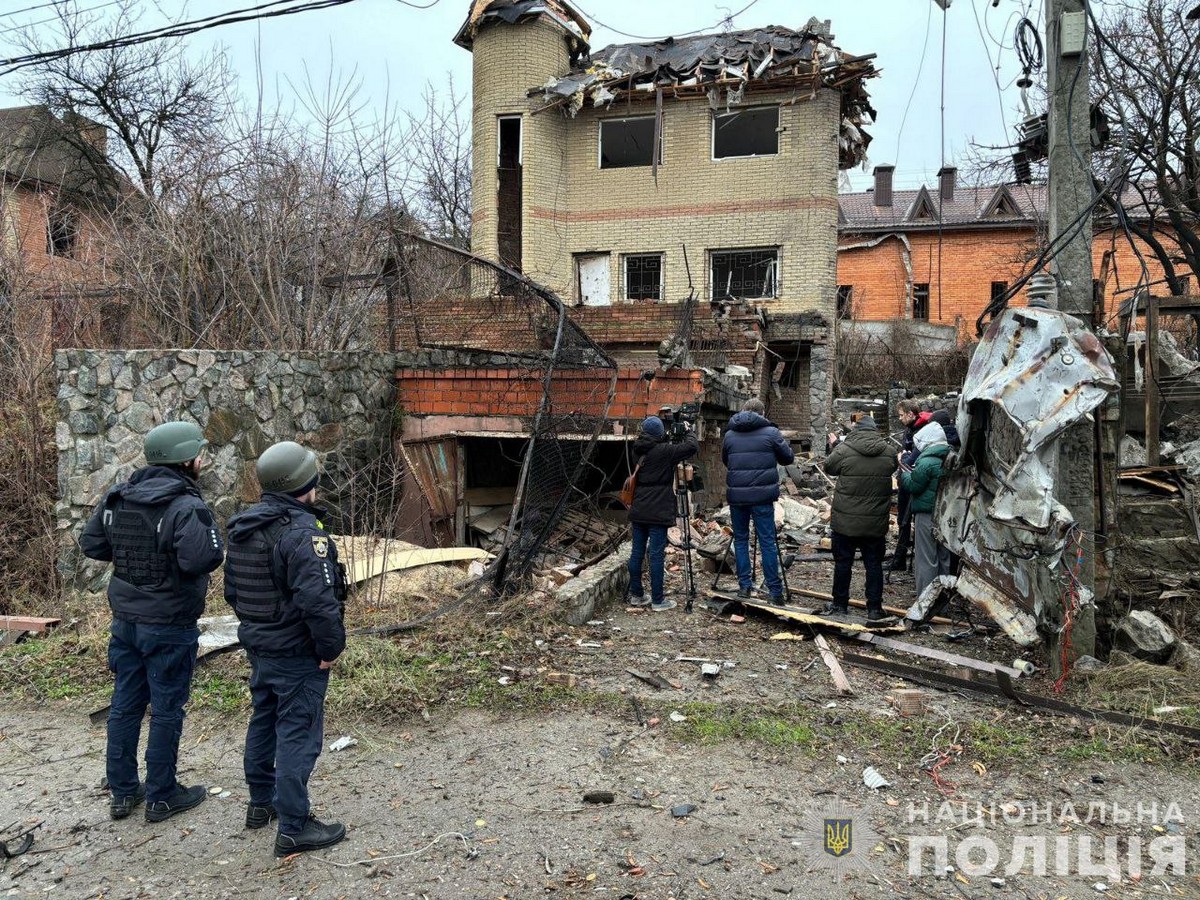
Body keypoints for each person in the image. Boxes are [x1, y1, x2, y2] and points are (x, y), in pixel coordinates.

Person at [79, 420, 224, 823]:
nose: (203, 461)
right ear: (188, 460)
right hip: (169, 624)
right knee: (166, 709)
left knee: (125, 705)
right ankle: (162, 796)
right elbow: (203, 559)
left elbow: (92, 543)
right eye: (201, 455)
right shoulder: (185, 505)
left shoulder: (118, 496)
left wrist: (133, 557)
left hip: (125, 622)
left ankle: (123, 794)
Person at [224, 441, 348, 857]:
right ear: (306, 483)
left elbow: (232, 592)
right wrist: (331, 647)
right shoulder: (301, 535)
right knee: (297, 732)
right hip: (298, 653)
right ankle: (294, 826)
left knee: (264, 720)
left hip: (261, 646)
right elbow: (319, 601)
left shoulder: (242, 527)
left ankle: (261, 804)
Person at [823, 416, 897, 622]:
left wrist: (836, 445)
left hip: (845, 522)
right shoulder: (889, 452)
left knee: (843, 563)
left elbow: (829, 467)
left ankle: (839, 605)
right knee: (874, 565)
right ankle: (874, 608)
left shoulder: (845, 449)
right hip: (874, 522)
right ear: (875, 431)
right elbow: (891, 468)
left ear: (856, 430)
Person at [722, 398, 795, 602]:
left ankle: (744, 586)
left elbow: (726, 461)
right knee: (767, 542)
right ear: (762, 413)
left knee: (742, 540)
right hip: (763, 497)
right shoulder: (771, 433)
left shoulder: (730, 434)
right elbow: (788, 458)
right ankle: (774, 591)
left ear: (743, 410)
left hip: (738, 496)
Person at [626, 415, 699, 611]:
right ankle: (658, 600)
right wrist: (688, 430)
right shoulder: (665, 451)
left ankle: (637, 595)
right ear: (660, 433)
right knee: (656, 555)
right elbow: (692, 447)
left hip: (640, 506)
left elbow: (654, 448)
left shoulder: (637, 449)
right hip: (658, 508)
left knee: (637, 552)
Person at [900, 420, 952, 600]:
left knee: (926, 559)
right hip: (946, 514)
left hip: (926, 513)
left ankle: (925, 601)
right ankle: (942, 601)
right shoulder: (951, 457)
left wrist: (904, 474)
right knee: (943, 557)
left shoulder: (926, 461)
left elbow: (914, 485)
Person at [890, 400, 929, 573]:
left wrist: (903, 460)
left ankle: (907, 560)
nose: (899, 418)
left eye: (901, 415)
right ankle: (899, 560)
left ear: (910, 414)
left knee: (910, 521)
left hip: (915, 481)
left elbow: (912, 459)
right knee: (902, 521)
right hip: (905, 479)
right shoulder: (910, 430)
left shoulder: (922, 431)